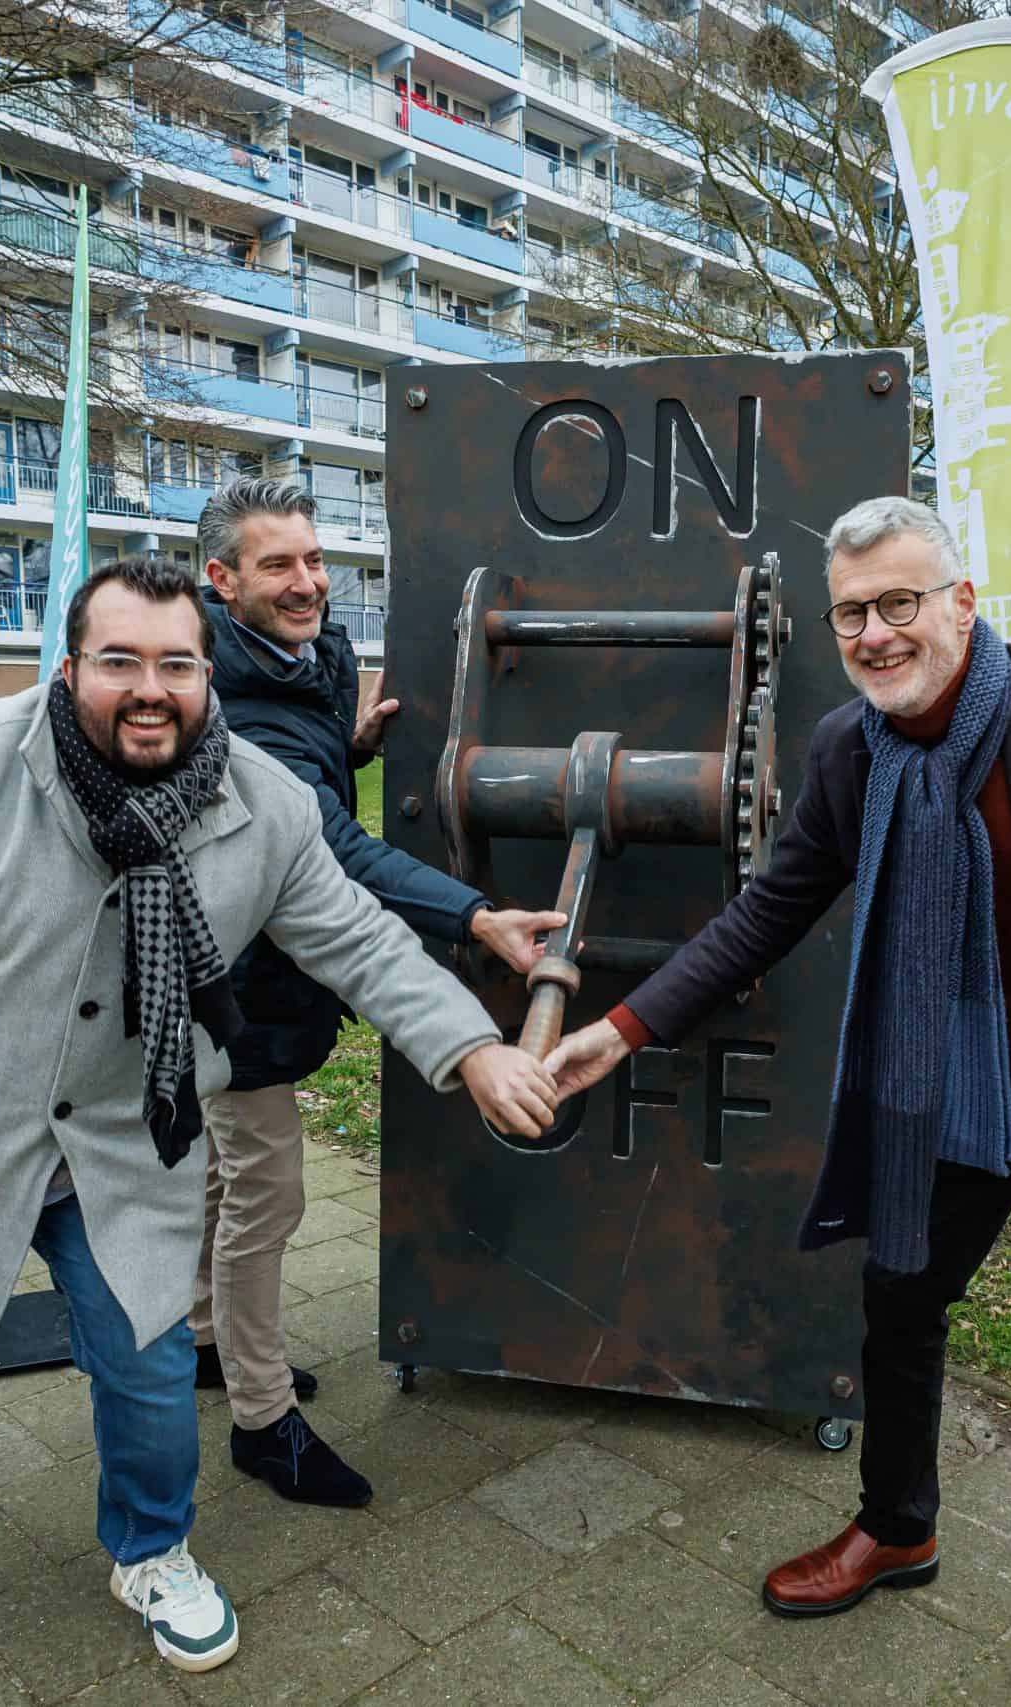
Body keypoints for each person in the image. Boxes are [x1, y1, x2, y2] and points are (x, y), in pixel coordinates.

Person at [0, 555, 559, 1678]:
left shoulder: (257, 802)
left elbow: (354, 936)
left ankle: (152, 1550)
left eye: (176, 663)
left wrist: (468, 1049)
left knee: (150, 1364)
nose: (149, 687)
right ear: (71, 668)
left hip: (124, 1136)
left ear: (208, 676)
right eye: (120, 661)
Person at [543, 497, 1011, 1707]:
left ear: (961, 602)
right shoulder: (851, 749)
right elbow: (766, 913)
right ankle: (898, 1527)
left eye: (900, 603)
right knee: (899, 1297)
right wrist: (618, 1033)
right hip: (958, 1077)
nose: (879, 634)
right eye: (853, 615)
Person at [190, 477, 566, 1507]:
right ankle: (262, 1422)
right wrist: (475, 914)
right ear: (221, 582)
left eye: (314, 559)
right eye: (278, 566)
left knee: (225, 1175)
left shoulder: (299, 659)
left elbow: (306, 771)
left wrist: (345, 746)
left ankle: (200, 1341)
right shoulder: (227, 708)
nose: (308, 583)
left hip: (253, 981)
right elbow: (327, 850)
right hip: (233, 989)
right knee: (265, 1194)